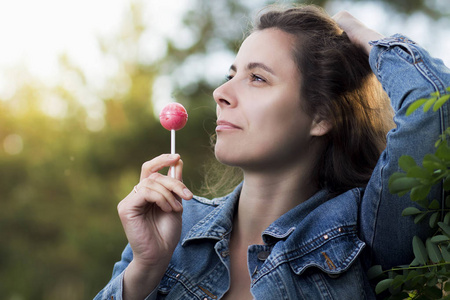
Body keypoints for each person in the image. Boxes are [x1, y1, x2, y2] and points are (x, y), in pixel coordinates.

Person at [95, 4, 450, 300]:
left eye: (257, 78)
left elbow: (434, 109)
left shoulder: (368, 231)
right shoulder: (173, 226)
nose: (221, 92)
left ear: (321, 115)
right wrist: (145, 270)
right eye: (231, 74)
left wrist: (357, 31)